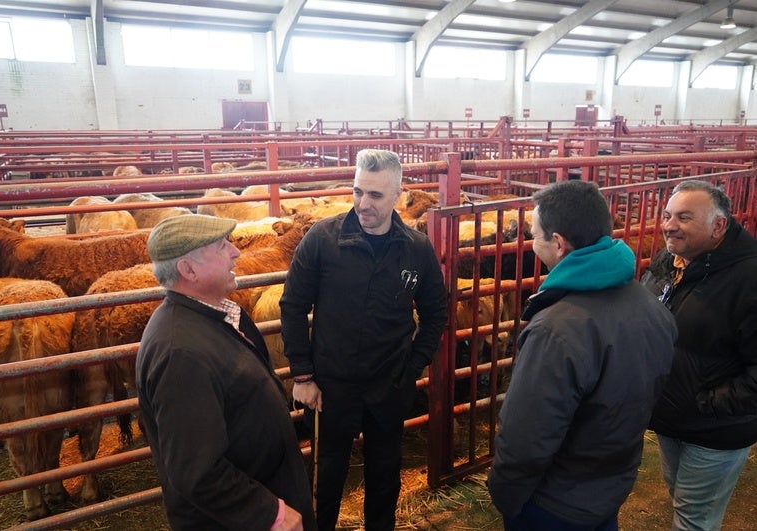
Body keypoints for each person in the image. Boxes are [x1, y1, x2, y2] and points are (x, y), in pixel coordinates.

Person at [487, 180, 677, 531]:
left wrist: (505, 493)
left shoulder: (556, 330)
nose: (531, 242)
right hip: (609, 483)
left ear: (558, 244)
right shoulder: (651, 307)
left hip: (553, 502)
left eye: (535, 234)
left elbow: (526, 436)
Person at [279, 149, 447, 530]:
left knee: (385, 476)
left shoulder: (416, 248)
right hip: (329, 388)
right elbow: (292, 306)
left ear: (398, 195)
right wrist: (303, 376)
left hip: (389, 386)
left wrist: (412, 365)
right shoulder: (323, 239)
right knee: (325, 479)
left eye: (375, 195)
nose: (363, 203)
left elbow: (436, 312)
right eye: (358, 191)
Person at [136, 214, 316, 531]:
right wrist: (268, 514)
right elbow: (197, 471)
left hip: (264, 491)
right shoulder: (180, 355)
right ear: (188, 270)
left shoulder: (215, 315)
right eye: (221, 246)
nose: (235, 252)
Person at [640, 180, 757, 531]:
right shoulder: (669, 260)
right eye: (667, 215)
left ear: (718, 226)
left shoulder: (749, 279)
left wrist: (705, 404)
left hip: (715, 429)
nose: (669, 225)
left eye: (684, 217)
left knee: (694, 518)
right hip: (671, 416)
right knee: (682, 497)